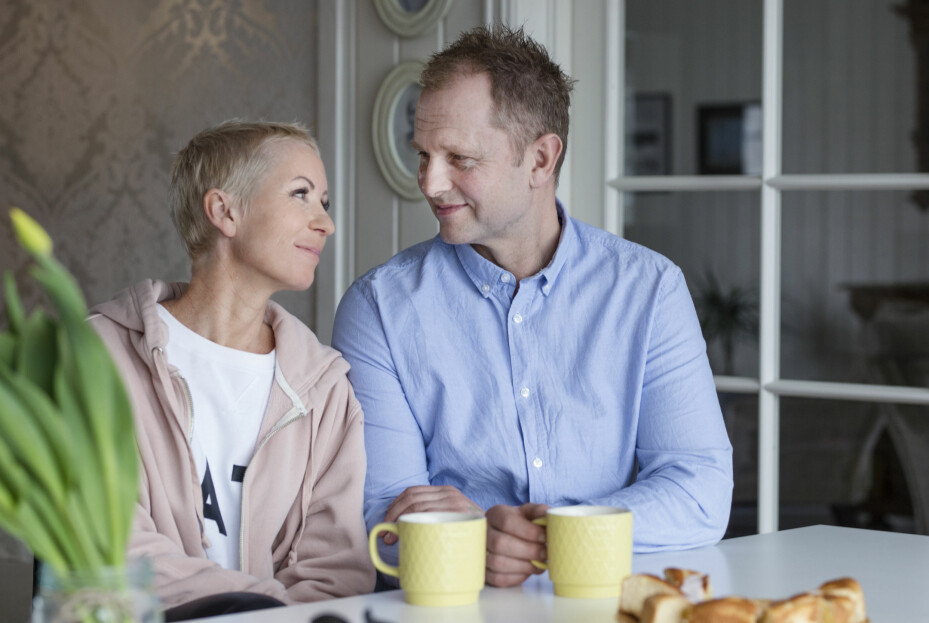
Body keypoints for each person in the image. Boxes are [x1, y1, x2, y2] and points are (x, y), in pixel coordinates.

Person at [331, 25, 733, 589]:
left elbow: (700, 489)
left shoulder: (650, 289)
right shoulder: (375, 309)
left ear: (541, 159)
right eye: (423, 154)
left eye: (459, 158)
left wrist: (543, 536)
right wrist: (474, 545)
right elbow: (380, 519)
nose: (429, 181)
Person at [90, 121, 375, 618]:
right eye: (301, 195)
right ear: (225, 211)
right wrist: (262, 608)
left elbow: (336, 574)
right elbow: (113, 546)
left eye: (324, 202)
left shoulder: (325, 390)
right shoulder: (101, 356)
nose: (326, 223)